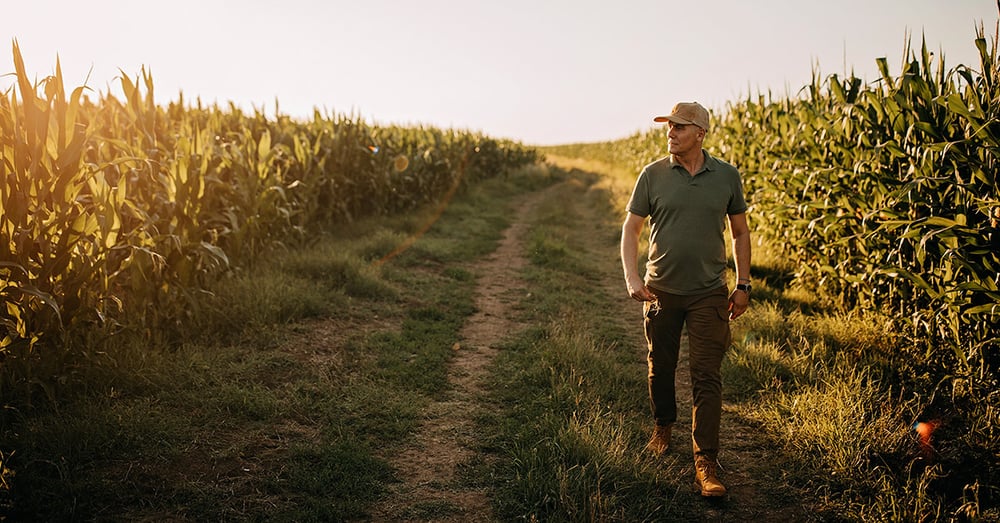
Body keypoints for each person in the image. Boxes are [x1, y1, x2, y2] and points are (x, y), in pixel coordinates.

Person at [619, 101, 751, 497]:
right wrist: (632, 276)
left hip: (709, 292)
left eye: (678, 127)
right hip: (661, 290)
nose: (670, 132)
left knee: (707, 376)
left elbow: (740, 233)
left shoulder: (727, 176)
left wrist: (743, 284)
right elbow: (631, 229)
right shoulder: (652, 175)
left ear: (700, 133)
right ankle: (663, 426)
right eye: (669, 126)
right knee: (661, 366)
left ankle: (705, 461)